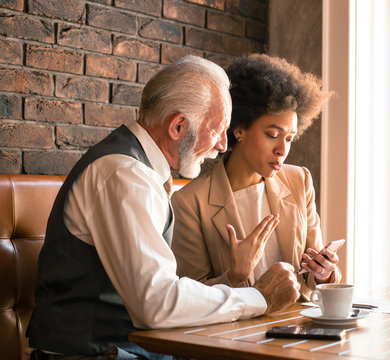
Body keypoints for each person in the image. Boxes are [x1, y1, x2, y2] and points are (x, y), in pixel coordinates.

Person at [26, 55, 300, 360]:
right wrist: (257, 297)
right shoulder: (125, 175)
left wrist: (232, 280)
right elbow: (156, 304)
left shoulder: (139, 171)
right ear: (178, 126)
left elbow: (160, 294)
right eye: (217, 129)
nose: (223, 144)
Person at [171, 54, 341, 301]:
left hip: (299, 328)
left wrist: (324, 274)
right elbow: (190, 296)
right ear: (239, 130)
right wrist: (235, 275)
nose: (282, 149)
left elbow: (311, 276)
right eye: (273, 134)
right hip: (235, 335)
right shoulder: (189, 203)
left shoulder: (299, 181)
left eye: (290, 138)